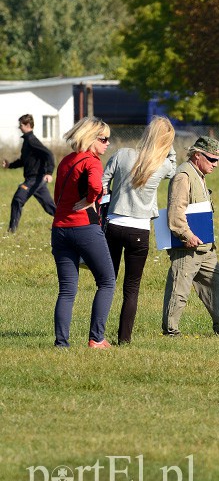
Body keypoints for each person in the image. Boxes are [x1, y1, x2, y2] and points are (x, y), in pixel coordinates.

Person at [102, 117, 177, 344]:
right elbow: (174, 167)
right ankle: (124, 339)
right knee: (131, 289)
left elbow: (102, 182)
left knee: (106, 283)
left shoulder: (122, 154)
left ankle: (97, 334)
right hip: (140, 229)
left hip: (114, 224)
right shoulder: (162, 164)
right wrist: (167, 146)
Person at [51, 117, 116, 348]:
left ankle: (61, 343)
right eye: (104, 139)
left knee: (67, 289)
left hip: (59, 229)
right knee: (107, 281)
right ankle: (97, 338)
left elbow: (57, 196)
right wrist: (92, 199)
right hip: (85, 228)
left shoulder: (66, 161)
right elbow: (97, 187)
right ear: (91, 139)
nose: (108, 143)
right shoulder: (93, 161)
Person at [162, 136, 219, 336]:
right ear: (197, 156)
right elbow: (176, 211)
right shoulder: (183, 176)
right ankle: (170, 332)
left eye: (217, 159)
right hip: (188, 245)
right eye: (211, 159)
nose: (216, 164)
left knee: (217, 281)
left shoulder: (199, 175)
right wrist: (186, 235)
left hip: (204, 246)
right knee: (180, 290)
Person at [2, 114, 56, 233]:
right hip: (36, 180)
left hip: (35, 179)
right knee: (49, 206)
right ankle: (67, 224)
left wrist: (49, 172)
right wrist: (9, 165)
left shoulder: (32, 140)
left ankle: (11, 231)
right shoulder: (27, 141)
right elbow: (23, 160)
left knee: (18, 199)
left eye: (20, 125)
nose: (19, 128)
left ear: (27, 125)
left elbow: (49, 154)